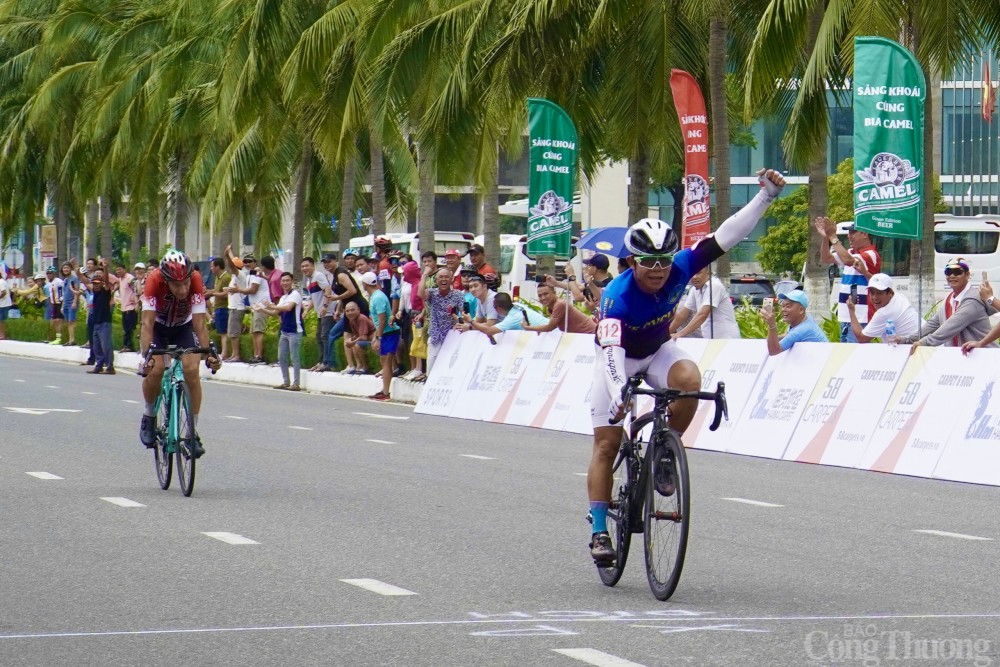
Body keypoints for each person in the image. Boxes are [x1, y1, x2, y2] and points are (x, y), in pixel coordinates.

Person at [587, 168, 786, 566]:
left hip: (658, 349)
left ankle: (664, 452)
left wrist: (765, 197)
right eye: (649, 263)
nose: (659, 270)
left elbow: (726, 236)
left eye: (664, 260)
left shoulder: (680, 266)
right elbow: (611, 355)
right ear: (631, 262)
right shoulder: (617, 296)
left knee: (691, 380)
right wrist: (618, 395)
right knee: (607, 443)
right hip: (618, 358)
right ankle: (598, 530)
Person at [138, 251, 221, 457]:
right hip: (158, 327)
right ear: (166, 280)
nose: (183, 289)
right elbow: (147, 323)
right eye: (177, 285)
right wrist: (145, 357)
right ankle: (149, 414)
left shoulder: (195, 279)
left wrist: (208, 354)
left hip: (184, 327)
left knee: (192, 370)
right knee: (156, 370)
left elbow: (200, 323)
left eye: (185, 283)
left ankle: (192, 432)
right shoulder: (154, 280)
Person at [903, 257, 999, 352]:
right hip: (964, 356)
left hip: (984, 357)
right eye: (948, 272)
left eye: (957, 272)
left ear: (967, 275)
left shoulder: (972, 300)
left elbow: (950, 327)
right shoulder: (949, 299)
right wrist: (907, 340)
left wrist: (924, 342)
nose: (952, 275)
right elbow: (932, 324)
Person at [814, 217, 881, 342]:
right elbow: (826, 258)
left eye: (853, 232)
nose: (849, 236)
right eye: (849, 233)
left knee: (853, 354)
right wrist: (825, 238)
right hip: (847, 314)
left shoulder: (871, 254)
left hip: (861, 316)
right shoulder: (850, 252)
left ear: (865, 234)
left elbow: (848, 260)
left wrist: (833, 237)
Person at [256, 272, 303, 391]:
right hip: (284, 331)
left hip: (294, 331)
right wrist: (262, 309)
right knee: (281, 357)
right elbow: (275, 313)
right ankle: (286, 382)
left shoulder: (295, 294)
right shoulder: (283, 297)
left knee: (294, 357)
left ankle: (296, 383)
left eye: (287, 280)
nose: (285, 283)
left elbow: (288, 308)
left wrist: (272, 306)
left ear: (292, 282)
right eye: (283, 281)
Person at [324, 253, 368, 371]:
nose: (327, 264)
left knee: (350, 335)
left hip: (358, 308)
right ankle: (352, 365)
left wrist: (335, 298)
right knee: (346, 335)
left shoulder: (341, 274)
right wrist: (338, 310)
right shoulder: (334, 276)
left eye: (329, 261)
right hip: (348, 310)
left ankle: (357, 365)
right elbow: (344, 296)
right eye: (324, 263)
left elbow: (352, 291)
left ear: (336, 261)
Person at [225, 248, 270, 364]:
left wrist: (237, 289)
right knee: (254, 332)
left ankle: (259, 356)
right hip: (255, 307)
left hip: (261, 305)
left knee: (258, 331)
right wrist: (229, 253)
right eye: (245, 262)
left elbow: (253, 290)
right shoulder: (250, 274)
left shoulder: (255, 274)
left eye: (250, 261)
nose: (247, 264)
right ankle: (256, 355)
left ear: (255, 262)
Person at [670, 266, 740, 339]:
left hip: (727, 339)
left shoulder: (714, 285)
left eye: (698, 273)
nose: (694, 277)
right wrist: (664, 335)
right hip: (710, 340)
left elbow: (702, 314)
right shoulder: (694, 290)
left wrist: (679, 334)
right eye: (692, 273)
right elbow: (682, 315)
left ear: (708, 273)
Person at [846, 273, 918, 343]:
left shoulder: (884, 313)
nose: (875, 297)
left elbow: (861, 338)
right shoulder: (899, 296)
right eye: (872, 293)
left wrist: (851, 311)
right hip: (924, 339)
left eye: (879, 293)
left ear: (889, 292)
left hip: (915, 347)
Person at [361, 271, 400, 401]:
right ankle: (384, 390)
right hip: (385, 333)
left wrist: (378, 337)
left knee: (387, 363)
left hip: (389, 333)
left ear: (365, 284)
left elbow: (382, 319)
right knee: (384, 362)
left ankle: (386, 392)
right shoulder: (376, 296)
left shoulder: (377, 298)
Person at [417, 266, 464, 372]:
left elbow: (464, 313)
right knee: (431, 367)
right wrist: (425, 275)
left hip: (452, 335)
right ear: (436, 280)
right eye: (441, 277)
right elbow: (420, 293)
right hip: (435, 335)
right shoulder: (432, 293)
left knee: (449, 366)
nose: (444, 279)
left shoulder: (457, 294)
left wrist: (459, 321)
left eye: (447, 277)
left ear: (451, 279)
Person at [761, 289, 827, 355]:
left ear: (801, 310)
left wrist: (771, 325)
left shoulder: (802, 329)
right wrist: (772, 338)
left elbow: (773, 351)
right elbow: (787, 335)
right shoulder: (806, 319)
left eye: (788, 306)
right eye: (783, 306)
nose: (783, 309)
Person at [459, 292, 547, 337]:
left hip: (550, 333)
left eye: (493, 307)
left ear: (499, 308)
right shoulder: (517, 305)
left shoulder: (512, 318)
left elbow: (490, 331)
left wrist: (471, 322)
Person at [522, 282, 597, 334]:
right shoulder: (550, 308)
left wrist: (529, 328)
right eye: (540, 296)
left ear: (554, 292)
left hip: (590, 335)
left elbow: (549, 328)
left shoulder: (559, 304)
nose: (543, 298)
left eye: (545, 294)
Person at [303, 256, 334, 371]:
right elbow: (313, 298)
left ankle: (326, 363)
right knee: (319, 337)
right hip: (320, 313)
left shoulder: (318, 276)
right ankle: (321, 361)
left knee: (324, 337)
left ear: (313, 266)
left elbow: (328, 290)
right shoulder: (309, 281)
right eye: (303, 266)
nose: (305, 268)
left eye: (307, 266)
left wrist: (325, 306)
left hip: (328, 312)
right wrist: (306, 310)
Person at [86, 267, 115, 374]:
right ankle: (99, 365)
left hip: (105, 323)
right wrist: (76, 269)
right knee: (96, 346)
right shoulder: (94, 292)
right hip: (96, 323)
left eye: (98, 283)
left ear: (102, 283)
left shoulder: (106, 291)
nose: (96, 285)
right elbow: (85, 281)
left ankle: (110, 366)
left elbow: (107, 281)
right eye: (94, 283)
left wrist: (106, 268)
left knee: (106, 345)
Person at [206, 258, 232, 358]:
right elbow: (217, 290)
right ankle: (222, 352)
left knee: (223, 332)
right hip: (217, 308)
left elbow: (226, 294)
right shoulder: (217, 277)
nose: (211, 268)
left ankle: (224, 353)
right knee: (220, 331)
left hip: (223, 307)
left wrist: (212, 293)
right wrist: (209, 291)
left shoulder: (226, 277)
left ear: (217, 267)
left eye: (212, 266)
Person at [341, 300, 375, 374]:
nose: (350, 313)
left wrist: (352, 341)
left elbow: (364, 337)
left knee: (356, 344)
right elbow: (357, 334)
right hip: (366, 338)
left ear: (358, 310)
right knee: (352, 343)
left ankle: (365, 367)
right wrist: (351, 339)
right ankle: (359, 365)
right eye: (347, 311)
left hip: (373, 339)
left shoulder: (361, 318)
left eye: (352, 310)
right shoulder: (352, 320)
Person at [115, 263, 140, 352]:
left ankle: (128, 346)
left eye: (120, 269)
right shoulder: (120, 279)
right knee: (126, 328)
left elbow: (136, 288)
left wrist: (136, 301)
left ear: (125, 269)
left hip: (131, 307)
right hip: (124, 308)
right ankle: (128, 346)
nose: (118, 271)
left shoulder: (129, 278)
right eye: (117, 270)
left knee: (129, 329)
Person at [0, 270, 10, 339]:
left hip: (4, 304)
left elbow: (4, 292)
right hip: (3, 304)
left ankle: (2, 335)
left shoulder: (1, 282)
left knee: (1, 320)